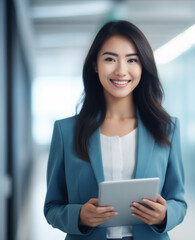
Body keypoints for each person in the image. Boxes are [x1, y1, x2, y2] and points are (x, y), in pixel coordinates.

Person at [44, 20, 187, 240]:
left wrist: (165, 214)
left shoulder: (166, 128)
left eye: (132, 60)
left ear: (143, 66)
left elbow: (179, 201)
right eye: (110, 59)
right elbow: (52, 207)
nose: (121, 70)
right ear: (95, 65)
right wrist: (79, 216)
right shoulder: (66, 131)